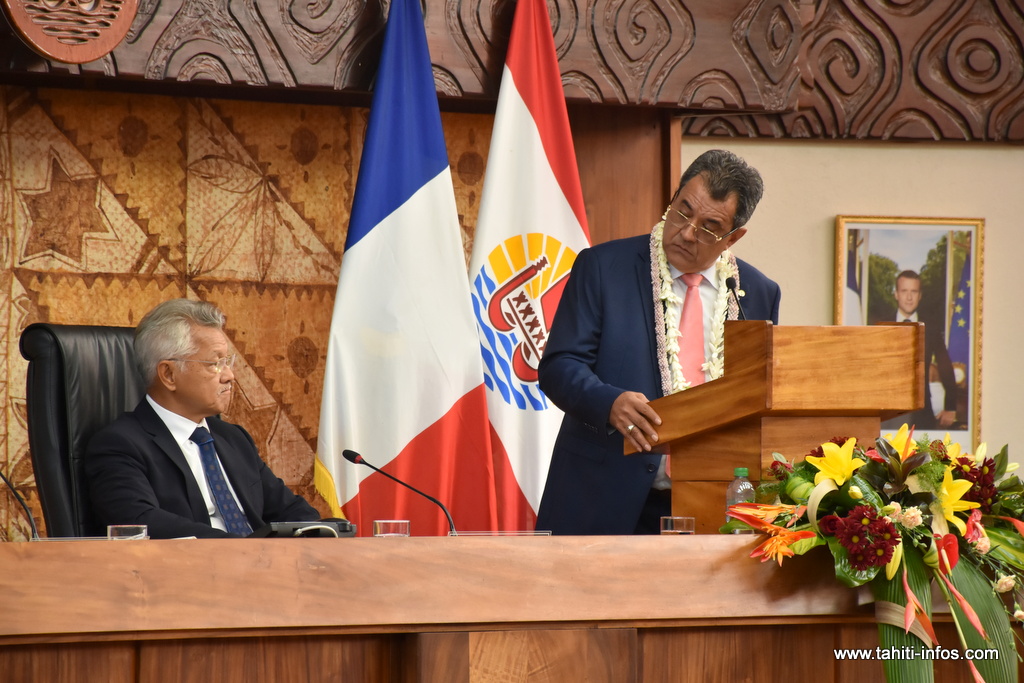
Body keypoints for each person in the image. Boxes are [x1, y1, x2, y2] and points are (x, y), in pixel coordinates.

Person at [535, 149, 781, 535]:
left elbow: (760, 394)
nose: (686, 232)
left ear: (734, 237)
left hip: (711, 506)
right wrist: (608, 402)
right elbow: (558, 365)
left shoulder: (758, 292)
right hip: (601, 498)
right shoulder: (603, 268)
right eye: (683, 211)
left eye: (708, 227)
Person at [85, 298, 321, 538]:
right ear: (168, 374)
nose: (229, 376)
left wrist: (324, 531)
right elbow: (140, 523)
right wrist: (244, 549)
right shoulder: (120, 445)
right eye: (214, 364)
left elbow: (290, 510)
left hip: (263, 566)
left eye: (227, 362)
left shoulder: (234, 439)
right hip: (191, 570)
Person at [885, 269, 958, 430]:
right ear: (896, 294)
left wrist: (951, 407)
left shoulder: (930, 327)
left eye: (914, 291)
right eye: (904, 291)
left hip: (921, 415)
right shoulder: (882, 324)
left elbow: (945, 366)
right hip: (886, 414)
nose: (909, 297)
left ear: (920, 295)